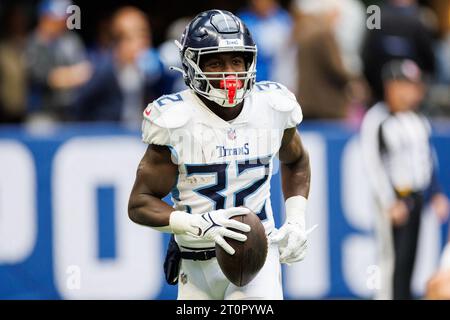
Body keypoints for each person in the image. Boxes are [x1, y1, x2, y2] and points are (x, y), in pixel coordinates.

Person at [128, 10, 312, 300]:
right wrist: (199, 225)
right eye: (215, 62)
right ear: (192, 65)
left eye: (237, 60)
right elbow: (139, 204)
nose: (230, 73)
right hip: (194, 265)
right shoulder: (176, 119)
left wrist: (296, 220)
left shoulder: (272, 107)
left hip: (257, 261)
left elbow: (297, 160)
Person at [360, 59, 449, 300]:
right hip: (395, 199)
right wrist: (390, 201)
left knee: (410, 259)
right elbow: (374, 165)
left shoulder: (417, 119)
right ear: (391, 86)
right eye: (407, 85)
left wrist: (437, 192)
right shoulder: (377, 118)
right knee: (391, 259)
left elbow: (426, 160)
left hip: (416, 197)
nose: (414, 91)